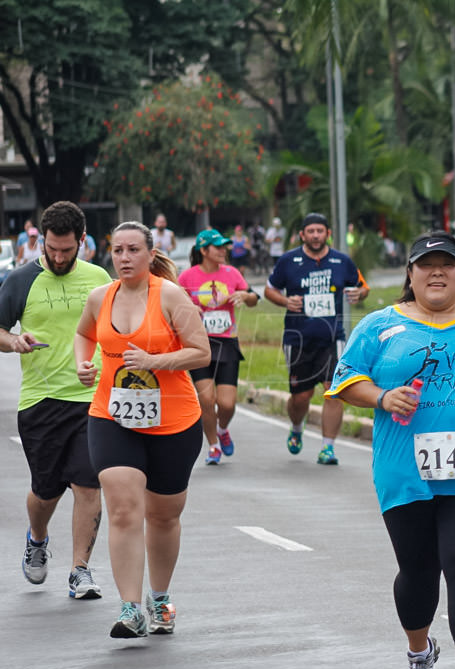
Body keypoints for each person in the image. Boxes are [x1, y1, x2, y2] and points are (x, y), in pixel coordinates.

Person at [325, 231, 455, 669]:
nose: (436, 271)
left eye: (447, 264)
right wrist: (381, 397)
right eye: (425, 264)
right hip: (405, 470)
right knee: (418, 571)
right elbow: (345, 379)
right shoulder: (380, 325)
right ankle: (420, 653)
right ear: (411, 274)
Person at [74, 221, 210, 638]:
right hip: (112, 416)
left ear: (151, 254)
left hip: (173, 419)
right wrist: (84, 363)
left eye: (133, 250)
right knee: (123, 508)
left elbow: (201, 351)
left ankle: (161, 597)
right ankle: (130, 608)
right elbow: (83, 334)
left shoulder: (170, 296)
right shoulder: (100, 297)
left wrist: (157, 361)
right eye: (117, 250)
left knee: (163, 515)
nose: (124, 258)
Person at [0, 201, 111, 600]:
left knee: (88, 484)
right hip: (40, 400)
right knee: (46, 491)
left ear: (82, 241)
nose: (59, 257)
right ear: (41, 241)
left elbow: (113, 330)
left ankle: (80, 570)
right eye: (52, 249)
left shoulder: (99, 278)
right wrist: (14, 340)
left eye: (67, 249)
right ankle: (37, 537)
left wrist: (103, 367)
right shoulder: (19, 280)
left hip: (90, 400)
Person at [264, 212, 369, 464]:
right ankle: (297, 427)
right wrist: (285, 301)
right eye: (310, 231)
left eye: (320, 231)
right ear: (302, 235)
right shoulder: (289, 261)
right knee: (301, 397)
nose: (315, 235)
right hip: (298, 338)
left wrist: (359, 294)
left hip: (333, 337)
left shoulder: (341, 261)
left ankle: (328, 448)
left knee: (333, 390)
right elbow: (269, 289)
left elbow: (363, 286)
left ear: (327, 234)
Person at [179, 229, 260, 465]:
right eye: (218, 247)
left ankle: (223, 429)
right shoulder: (187, 277)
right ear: (203, 250)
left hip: (226, 343)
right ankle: (213, 445)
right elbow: (173, 302)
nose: (223, 250)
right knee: (206, 400)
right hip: (198, 344)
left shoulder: (232, 273)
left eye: (224, 246)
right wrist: (188, 308)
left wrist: (245, 297)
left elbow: (253, 297)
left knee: (227, 403)